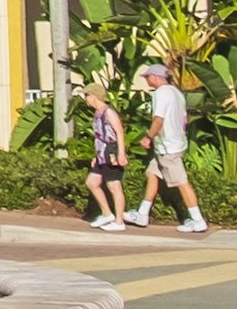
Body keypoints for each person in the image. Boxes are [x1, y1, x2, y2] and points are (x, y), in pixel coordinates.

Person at [135, 60, 208, 234]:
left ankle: (198, 220)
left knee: (181, 183)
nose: (146, 81)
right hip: (175, 143)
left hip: (168, 148)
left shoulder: (160, 94)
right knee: (152, 173)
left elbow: (158, 119)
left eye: (147, 77)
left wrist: (148, 137)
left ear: (154, 77)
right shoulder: (177, 93)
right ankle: (142, 213)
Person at [84, 83, 131, 230]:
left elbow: (119, 132)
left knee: (114, 186)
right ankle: (106, 213)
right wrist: (95, 155)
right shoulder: (97, 113)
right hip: (101, 154)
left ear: (94, 96)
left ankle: (119, 221)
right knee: (92, 182)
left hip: (111, 152)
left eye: (87, 95)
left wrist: (121, 153)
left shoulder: (108, 112)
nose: (85, 99)